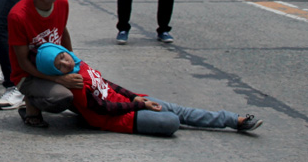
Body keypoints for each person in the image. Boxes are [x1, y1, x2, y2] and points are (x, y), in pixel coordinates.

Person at [34, 42, 263, 135]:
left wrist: (136, 97)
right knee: (171, 121)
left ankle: (235, 120)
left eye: (62, 56)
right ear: (53, 71)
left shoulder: (80, 64)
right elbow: (103, 108)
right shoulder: (73, 85)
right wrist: (139, 104)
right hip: (119, 118)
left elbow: (109, 85)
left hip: (133, 104)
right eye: (58, 65)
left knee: (178, 110)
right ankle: (161, 113)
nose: (65, 63)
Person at [8, 0, 78, 128]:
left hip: (57, 67)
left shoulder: (62, 2)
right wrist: (59, 80)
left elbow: (63, 32)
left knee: (89, 91)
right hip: (29, 75)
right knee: (62, 98)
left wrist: (75, 64)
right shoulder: (18, 15)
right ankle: (31, 104)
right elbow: (23, 63)